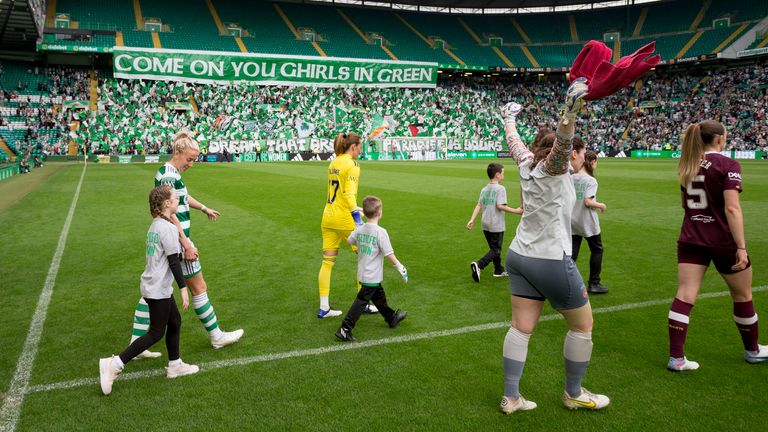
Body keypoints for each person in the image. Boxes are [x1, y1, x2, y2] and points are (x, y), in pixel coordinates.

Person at [497, 80, 610, 415]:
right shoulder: (553, 167)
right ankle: (574, 393)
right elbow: (562, 143)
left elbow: (514, 142)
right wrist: (569, 112)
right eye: (574, 151)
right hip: (549, 258)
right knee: (582, 325)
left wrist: (508, 119)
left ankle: (511, 397)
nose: (575, 155)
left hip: (519, 256)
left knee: (520, 327)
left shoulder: (525, 163)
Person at [128, 129, 243, 358]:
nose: (192, 163)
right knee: (198, 287)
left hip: (168, 240)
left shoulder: (167, 172)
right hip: (177, 242)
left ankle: (137, 343)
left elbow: (181, 198)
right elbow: (171, 214)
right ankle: (216, 336)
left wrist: (203, 208)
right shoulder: (170, 175)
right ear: (178, 152)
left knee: (153, 290)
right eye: (190, 159)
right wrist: (186, 243)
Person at [667, 119, 768, 371]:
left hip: (691, 237)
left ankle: (676, 358)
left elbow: (684, 204)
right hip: (722, 240)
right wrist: (741, 247)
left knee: (685, 295)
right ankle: (752, 350)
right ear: (720, 138)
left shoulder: (687, 164)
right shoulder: (728, 164)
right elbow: (732, 208)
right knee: (742, 295)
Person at [99, 185, 199, 395]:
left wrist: (185, 255)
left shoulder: (156, 225)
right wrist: (183, 288)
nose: (178, 199)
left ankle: (175, 365)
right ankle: (115, 364)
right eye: (175, 197)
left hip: (154, 283)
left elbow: (167, 256)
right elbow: (173, 261)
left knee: (175, 322)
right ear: (167, 203)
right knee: (155, 333)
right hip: (158, 288)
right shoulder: (168, 228)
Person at [317, 132, 377, 317]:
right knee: (366, 257)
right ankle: (364, 304)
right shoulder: (352, 164)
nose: (361, 150)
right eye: (360, 146)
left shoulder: (334, 161)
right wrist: (358, 220)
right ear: (353, 147)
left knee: (327, 262)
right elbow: (349, 194)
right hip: (344, 218)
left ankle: (324, 307)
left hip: (328, 216)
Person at [335, 196, 408, 341]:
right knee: (361, 300)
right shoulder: (380, 232)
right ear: (380, 212)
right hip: (372, 274)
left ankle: (391, 318)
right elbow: (389, 254)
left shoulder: (361, 229)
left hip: (363, 272)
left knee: (378, 295)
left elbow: (350, 240)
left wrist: (358, 223)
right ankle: (345, 328)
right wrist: (401, 268)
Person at [466, 163, 523, 282]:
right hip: (496, 223)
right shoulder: (500, 189)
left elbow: (479, 205)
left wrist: (472, 219)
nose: (504, 175)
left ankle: (498, 270)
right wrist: (516, 211)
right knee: (496, 249)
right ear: (497, 175)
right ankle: (479, 265)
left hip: (485, 223)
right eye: (503, 173)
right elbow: (500, 206)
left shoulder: (484, 189)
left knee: (494, 248)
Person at [570, 148, 608, 294]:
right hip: (587, 221)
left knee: (572, 254)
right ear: (592, 162)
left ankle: (567, 282)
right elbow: (588, 201)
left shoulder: (572, 177)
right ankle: (594, 283)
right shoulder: (591, 180)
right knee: (597, 249)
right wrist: (601, 205)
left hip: (573, 219)